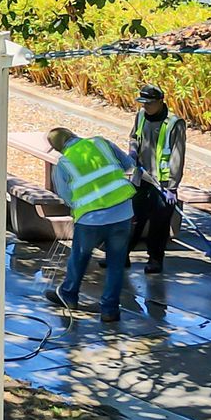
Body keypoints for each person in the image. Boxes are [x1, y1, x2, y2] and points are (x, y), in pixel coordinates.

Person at [44, 126, 137, 323]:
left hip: (91, 219)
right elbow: (129, 164)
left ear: (58, 148)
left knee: (79, 257)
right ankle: (110, 310)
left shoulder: (64, 163)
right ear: (73, 135)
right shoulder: (101, 143)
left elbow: (65, 195)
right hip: (122, 212)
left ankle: (69, 295)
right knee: (116, 264)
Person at [129, 85, 184, 272]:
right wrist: (133, 149)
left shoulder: (174, 123)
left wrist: (173, 187)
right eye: (143, 103)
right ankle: (122, 254)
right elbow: (133, 137)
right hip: (141, 177)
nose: (145, 107)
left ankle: (154, 259)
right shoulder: (140, 116)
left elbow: (177, 155)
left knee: (159, 223)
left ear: (160, 101)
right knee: (134, 217)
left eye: (149, 103)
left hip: (163, 182)